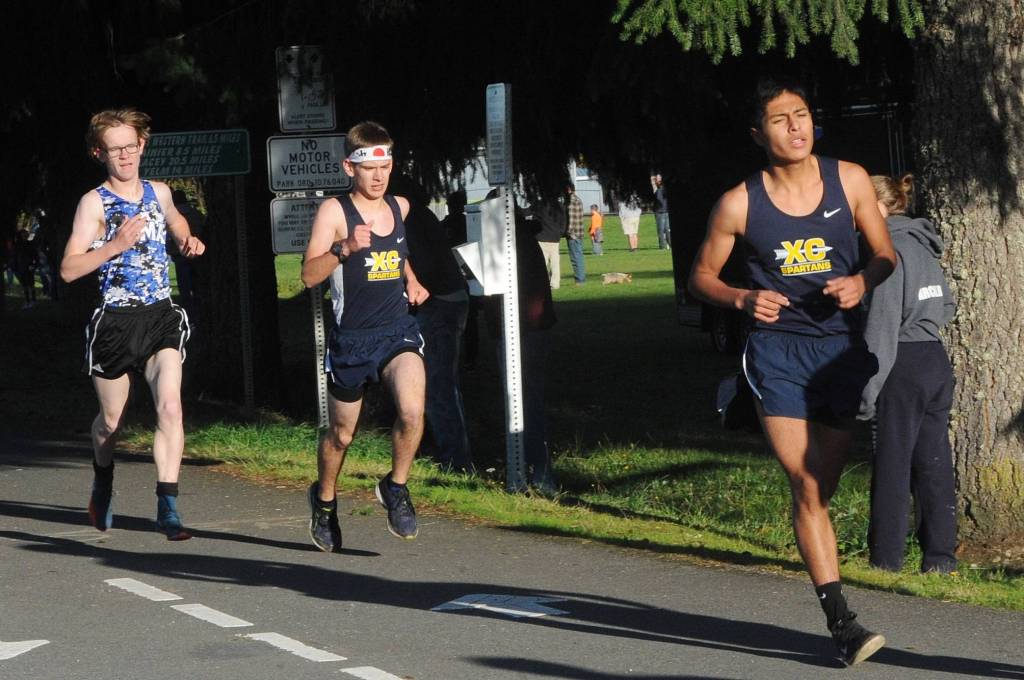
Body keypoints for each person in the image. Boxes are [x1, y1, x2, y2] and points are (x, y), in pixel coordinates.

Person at [688, 77, 896, 666]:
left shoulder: (849, 179)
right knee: (806, 484)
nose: (795, 127)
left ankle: (815, 545)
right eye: (780, 120)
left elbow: (885, 253)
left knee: (819, 493)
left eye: (801, 115)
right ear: (759, 134)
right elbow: (700, 276)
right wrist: (740, 300)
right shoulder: (739, 202)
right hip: (776, 351)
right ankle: (843, 624)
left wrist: (863, 280)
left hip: (838, 351)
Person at [61, 107, 205, 540]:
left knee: (170, 406)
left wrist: (185, 237)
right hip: (115, 323)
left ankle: (168, 505)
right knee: (111, 422)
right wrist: (115, 245)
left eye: (130, 146)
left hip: (160, 314)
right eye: (114, 149)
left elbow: (176, 218)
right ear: (98, 153)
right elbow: (68, 268)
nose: (124, 156)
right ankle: (103, 478)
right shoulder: (94, 203)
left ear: (142, 145)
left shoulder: (158, 191)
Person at [301, 121, 430, 552]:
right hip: (352, 339)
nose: (379, 176)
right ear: (348, 168)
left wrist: (411, 279)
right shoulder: (334, 213)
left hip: (397, 330)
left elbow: (398, 252)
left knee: (413, 411)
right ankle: (323, 501)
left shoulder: (401, 207)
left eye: (386, 166)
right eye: (370, 168)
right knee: (342, 436)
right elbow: (307, 276)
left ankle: (395, 487)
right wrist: (344, 250)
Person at [859, 173, 958, 574]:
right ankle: (940, 558)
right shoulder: (923, 246)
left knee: (893, 463)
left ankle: (886, 559)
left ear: (879, 207)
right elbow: (947, 308)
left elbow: (880, 329)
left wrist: (867, 393)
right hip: (934, 358)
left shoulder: (890, 253)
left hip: (902, 361)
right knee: (933, 462)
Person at [399, 179, 474, 474]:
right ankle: (443, 450)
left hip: (438, 303)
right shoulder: (422, 216)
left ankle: (456, 461)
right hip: (447, 300)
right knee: (437, 384)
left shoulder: (410, 219)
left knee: (437, 386)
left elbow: (424, 266)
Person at [483, 211, 558, 494]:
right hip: (530, 328)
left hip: (524, 330)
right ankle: (531, 468)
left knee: (526, 401)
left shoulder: (511, 245)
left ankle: (538, 472)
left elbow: (498, 290)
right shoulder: (523, 239)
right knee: (527, 400)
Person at [170, 190, 204, 324]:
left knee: (184, 288)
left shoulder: (172, 216)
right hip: (197, 254)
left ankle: (189, 314)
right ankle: (198, 312)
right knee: (197, 285)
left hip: (179, 255)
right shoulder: (196, 213)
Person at [532, 195, 565, 289]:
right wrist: (560, 232)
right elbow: (564, 221)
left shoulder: (539, 205)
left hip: (542, 237)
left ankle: (540, 283)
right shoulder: (560, 206)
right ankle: (555, 283)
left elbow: (528, 213)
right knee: (555, 262)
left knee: (542, 262)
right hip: (555, 238)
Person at [565, 184, 586, 284]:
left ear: (569, 190)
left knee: (576, 258)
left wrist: (568, 232)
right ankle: (580, 279)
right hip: (579, 232)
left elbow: (572, 219)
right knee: (578, 256)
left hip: (573, 234)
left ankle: (580, 280)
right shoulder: (578, 199)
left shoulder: (571, 201)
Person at [13, 229, 37, 309]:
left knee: (31, 284)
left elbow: (35, 256)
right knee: (24, 285)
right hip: (21, 267)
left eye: (25, 234)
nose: (24, 235)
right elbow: (15, 257)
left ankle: (33, 301)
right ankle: (27, 301)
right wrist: (15, 267)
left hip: (29, 267)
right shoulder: (17, 245)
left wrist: (33, 265)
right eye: (23, 234)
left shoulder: (30, 244)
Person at [651, 174, 671, 250]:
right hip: (665, 211)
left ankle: (662, 246)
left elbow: (652, 180)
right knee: (667, 229)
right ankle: (668, 244)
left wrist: (655, 178)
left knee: (662, 230)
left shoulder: (658, 189)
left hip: (660, 211)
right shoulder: (662, 188)